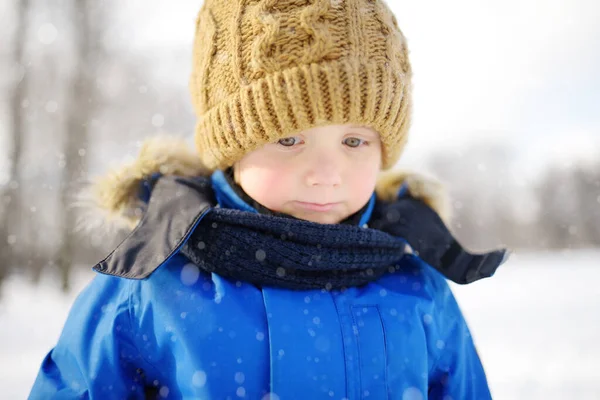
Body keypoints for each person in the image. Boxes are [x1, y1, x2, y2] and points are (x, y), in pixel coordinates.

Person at [29, 0, 508, 398]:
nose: (325, 175)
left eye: (354, 142)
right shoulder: (150, 288)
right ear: (231, 148)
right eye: (288, 140)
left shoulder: (418, 289)